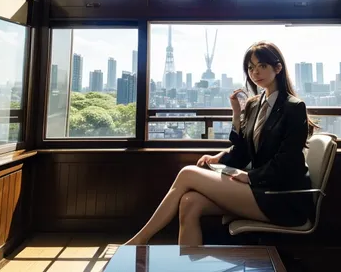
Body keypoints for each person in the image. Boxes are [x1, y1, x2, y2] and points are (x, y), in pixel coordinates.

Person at [124, 41, 315, 246]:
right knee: (190, 203)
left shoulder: (293, 107)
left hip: (282, 197)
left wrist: (249, 177)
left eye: (262, 66)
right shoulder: (254, 104)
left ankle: (140, 240)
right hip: (260, 191)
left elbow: (287, 161)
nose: (255, 72)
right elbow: (242, 151)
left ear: (278, 68)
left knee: (188, 173)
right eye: (250, 68)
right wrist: (235, 116)